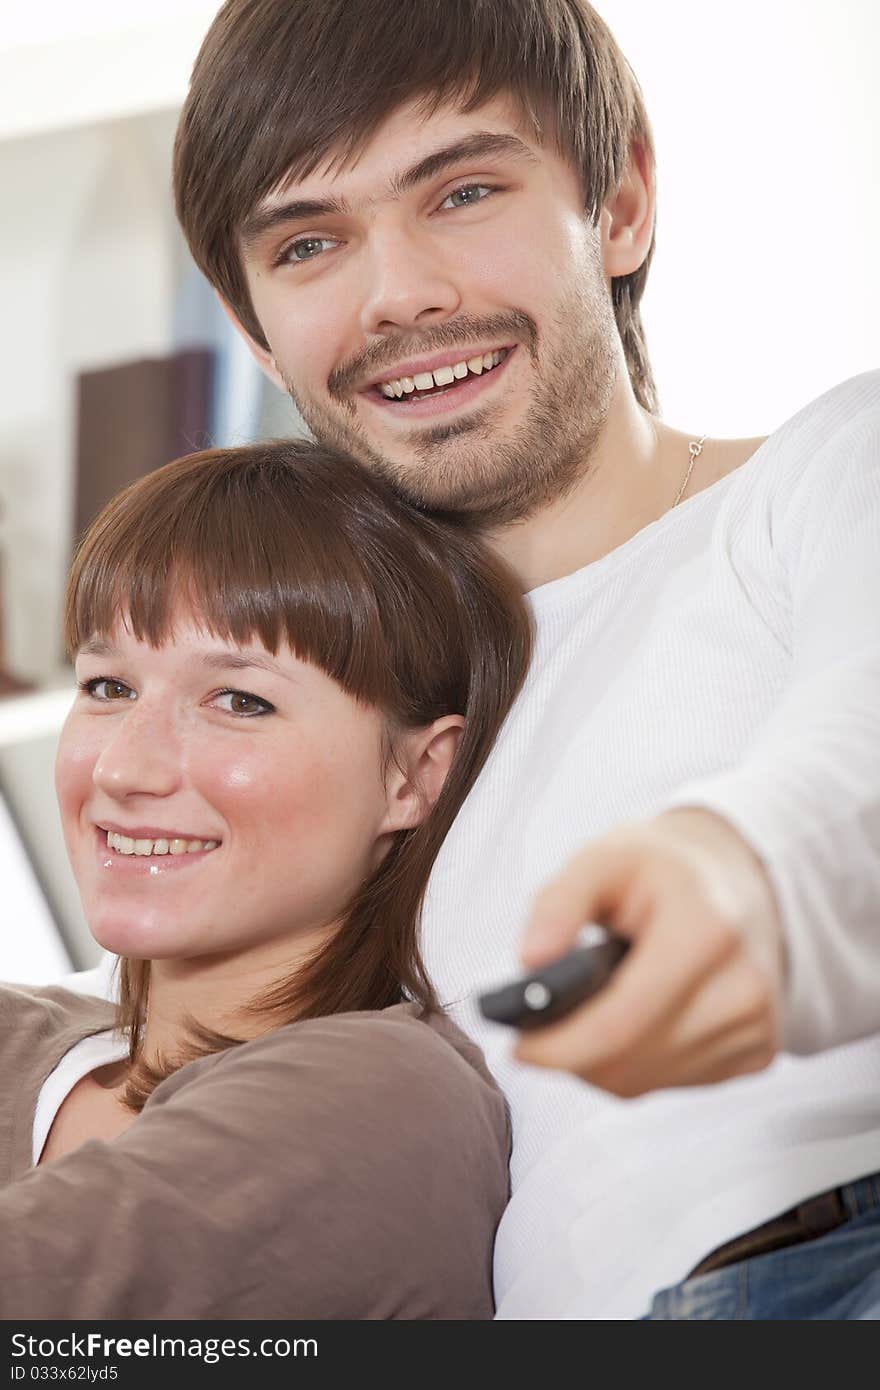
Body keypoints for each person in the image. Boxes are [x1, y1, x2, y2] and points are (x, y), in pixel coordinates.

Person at [160, 0, 880, 1319]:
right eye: (311, 240)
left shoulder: (832, 472)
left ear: (619, 200)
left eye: (465, 188)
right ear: (251, 324)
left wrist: (735, 874)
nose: (401, 294)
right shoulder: (346, 744)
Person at [0, 440, 533, 1319]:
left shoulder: (383, 1100)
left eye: (240, 701)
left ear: (411, 776)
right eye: (107, 685)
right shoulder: (24, 1035)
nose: (124, 770)